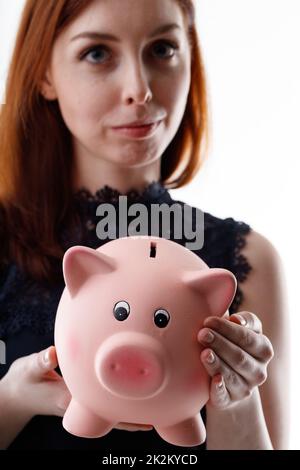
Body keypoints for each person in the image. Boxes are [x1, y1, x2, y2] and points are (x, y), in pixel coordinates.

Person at [0, 0, 289, 450]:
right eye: (97, 53)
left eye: (162, 49)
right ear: (45, 73)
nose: (140, 90)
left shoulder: (249, 260)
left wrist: (235, 400)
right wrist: (12, 398)